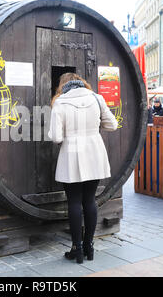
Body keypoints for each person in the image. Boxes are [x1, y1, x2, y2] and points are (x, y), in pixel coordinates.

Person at [48, 73, 118, 263]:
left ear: (62, 85)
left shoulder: (60, 102)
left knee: (74, 202)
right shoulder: (97, 98)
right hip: (94, 150)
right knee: (90, 200)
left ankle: (77, 249)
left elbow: (56, 137)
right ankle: (90, 247)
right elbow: (113, 124)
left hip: (71, 153)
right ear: (82, 83)